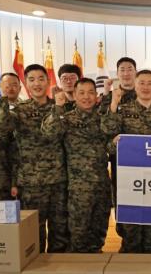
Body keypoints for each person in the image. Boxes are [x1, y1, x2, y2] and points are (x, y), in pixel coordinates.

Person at [0, 64, 69, 253]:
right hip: (30, 182)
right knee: (34, 231)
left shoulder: (60, 106)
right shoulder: (19, 110)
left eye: (41, 79)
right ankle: (37, 267)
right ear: (26, 84)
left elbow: (57, 134)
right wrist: (3, 100)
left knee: (60, 230)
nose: (37, 84)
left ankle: (59, 267)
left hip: (58, 179)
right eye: (32, 80)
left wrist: (58, 108)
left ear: (48, 81)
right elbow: (2, 127)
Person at [101, 69, 151, 253]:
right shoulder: (122, 111)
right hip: (128, 183)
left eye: (150, 83)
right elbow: (108, 137)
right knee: (130, 234)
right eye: (141, 83)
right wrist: (113, 104)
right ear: (135, 85)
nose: (146, 87)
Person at [42, 78, 113, 252]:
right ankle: (78, 266)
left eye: (90, 93)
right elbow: (49, 133)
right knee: (78, 234)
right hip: (78, 189)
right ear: (74, 95)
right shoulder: (65, 118)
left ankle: (96, 263)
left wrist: (118, 142)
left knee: (99, 232)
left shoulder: (102, 119)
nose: (86, 97)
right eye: (81, 93)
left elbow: (109, 146)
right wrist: (58, 107)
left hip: (102, 186)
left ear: (96, 96)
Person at [98, 57, 139, 249]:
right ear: (117, 73)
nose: (126, 73)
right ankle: (125, 237)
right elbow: (102, 125)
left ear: (135, 72)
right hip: (119, 157)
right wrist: (110, 97)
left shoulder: (142, 92)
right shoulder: (110, 97)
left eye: (130, 69)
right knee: (121, 197)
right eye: (122, 69)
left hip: (143, 158)